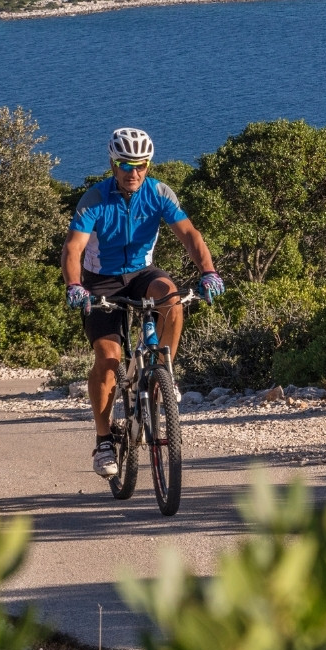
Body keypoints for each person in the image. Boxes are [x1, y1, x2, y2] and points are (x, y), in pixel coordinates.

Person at [62, 127, 224, 479]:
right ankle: (104, 440)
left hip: (141, 273)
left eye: (140, 165)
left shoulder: (158, 193)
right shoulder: (95, 198)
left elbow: (190, 235)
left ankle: (163, 373)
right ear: (113, 164)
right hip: (100, 279)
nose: (133, 172)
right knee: (108, 359)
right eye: (125, 165)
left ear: (148, 165)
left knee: (171, 297)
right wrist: (75, 285)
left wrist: (209, 272)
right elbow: (73, 247)